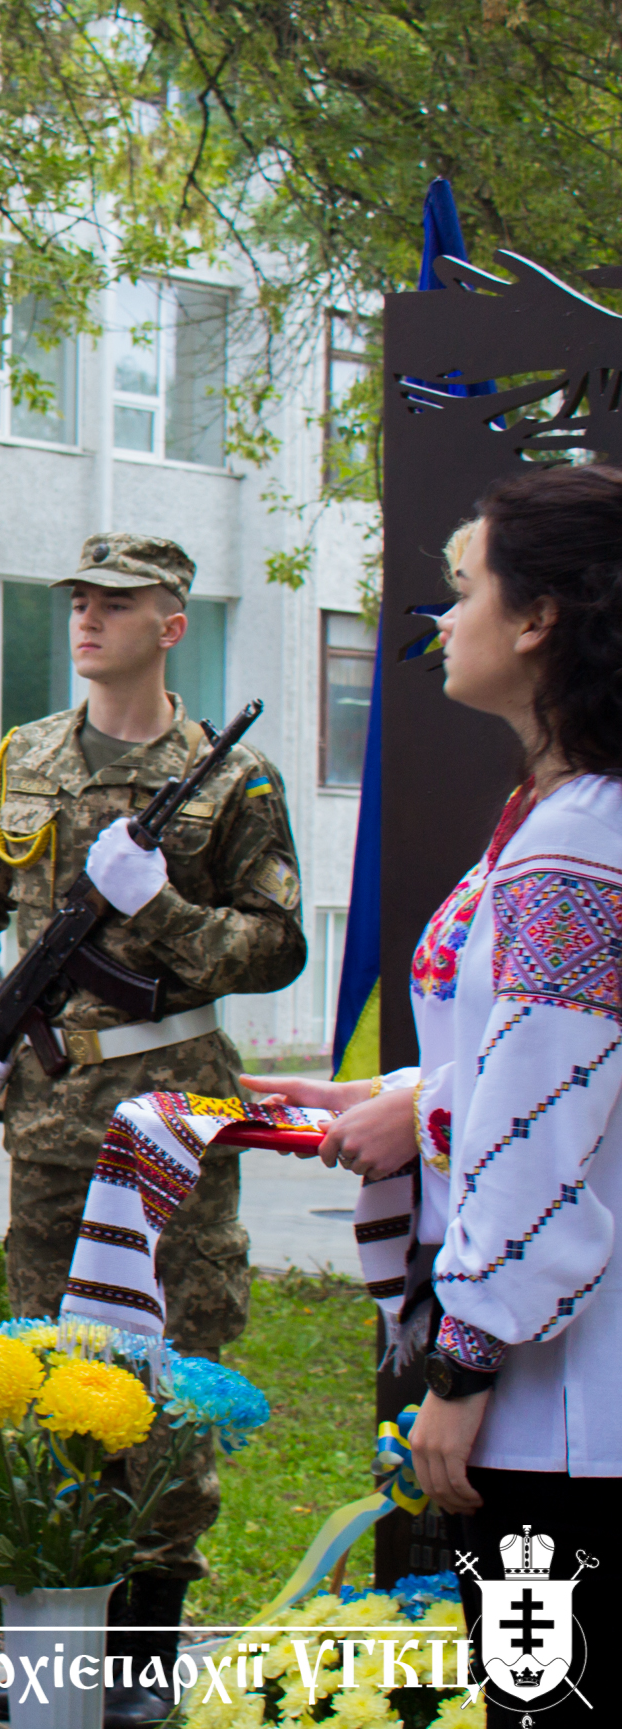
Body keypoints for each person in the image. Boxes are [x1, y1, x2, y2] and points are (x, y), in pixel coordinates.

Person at [0, 532, 304, 1724]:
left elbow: (275, 947)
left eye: (114, 603)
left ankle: (139, 1648)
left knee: (168, 1362)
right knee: (43, 1361)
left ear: (169, 625)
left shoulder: (233, 779)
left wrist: (162, 911)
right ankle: (46, 1636)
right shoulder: (20, 759)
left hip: (170, 1113)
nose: (85, 617)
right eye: (78, 599)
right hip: (44, 1112)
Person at [249, 466, 622, 1656]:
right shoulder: (566, 818)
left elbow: (544, 1126)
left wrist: (459, 1373)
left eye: (464, 589)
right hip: (563, 1389)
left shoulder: (574, 844)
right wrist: (409, 1095)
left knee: (542, 1690)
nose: (442, 619)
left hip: (561, 1408)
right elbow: (553, 1062)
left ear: (538, 617)